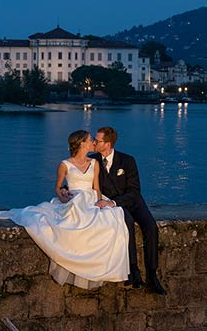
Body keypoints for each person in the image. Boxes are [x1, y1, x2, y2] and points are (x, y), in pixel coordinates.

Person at [0, 130, 130, 289]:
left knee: (111, 220)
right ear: (81, 144)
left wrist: (99, 201)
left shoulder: (94, 163)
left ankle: (103, 267)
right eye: (90, 140)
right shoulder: (64, 165)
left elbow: (96, 187)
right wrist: (63, 196)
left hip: (91, 199)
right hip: (74, 199)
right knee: (69, 221)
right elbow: (58, 188)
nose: (93, 142)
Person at [81, 126, 167, 295]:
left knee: (150, 227)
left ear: (107, 144)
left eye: (97, 141)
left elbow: (135, 190)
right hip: (112, 205)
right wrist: (64, 188)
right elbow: (79, 176)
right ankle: (133, 270)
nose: (94, 143)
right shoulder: (92, 161)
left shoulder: (128, 161)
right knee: (126, 224)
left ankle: (152, 275)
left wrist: (114, 202)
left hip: (133, 202)